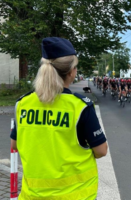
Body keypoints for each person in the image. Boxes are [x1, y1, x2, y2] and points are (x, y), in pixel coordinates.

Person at [10, 37, 107, 199]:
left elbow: (15, 144)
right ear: (71, 72)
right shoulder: (81, 107)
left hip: (33, 196)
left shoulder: (23, 104)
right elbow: (101, 151)